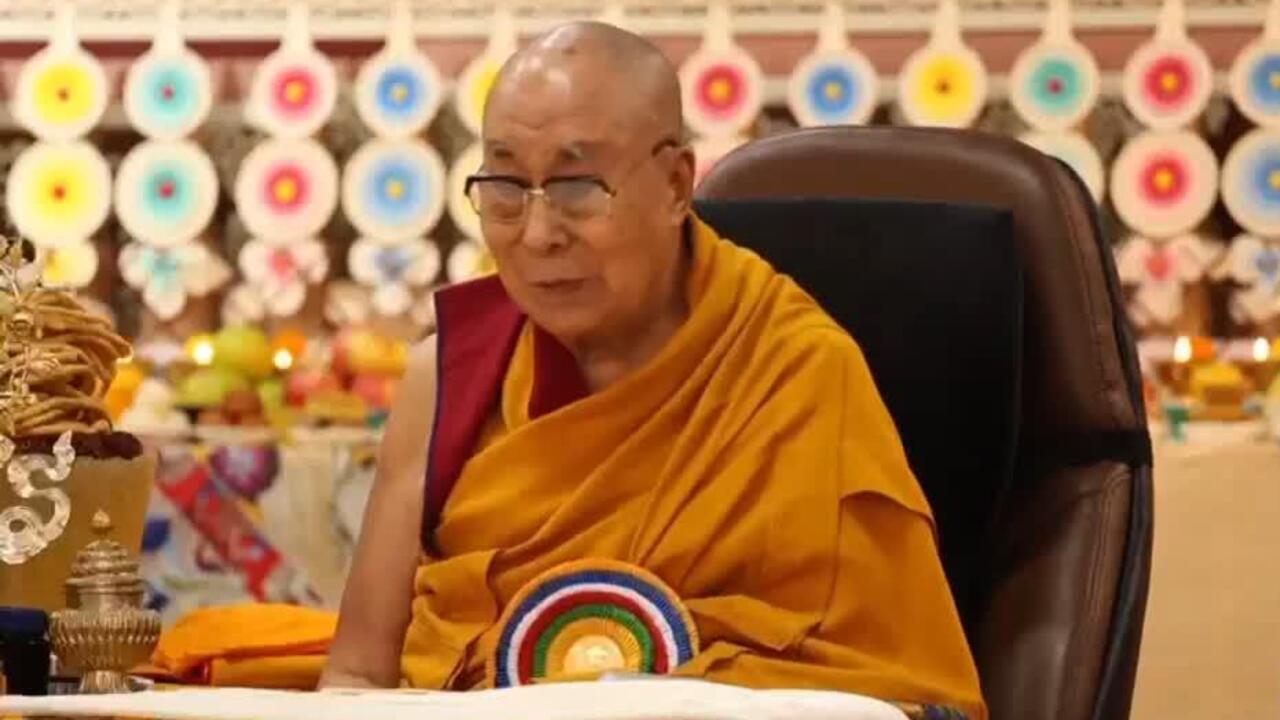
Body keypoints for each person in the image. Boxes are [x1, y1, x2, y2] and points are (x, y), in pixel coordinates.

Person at [321, 20, 985, 719]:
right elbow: (357, 677)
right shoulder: (450, 379)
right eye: (506, 185)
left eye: (577, 185)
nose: (538, 234)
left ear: (675, 186)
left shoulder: (794, 372)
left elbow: (889, 687)